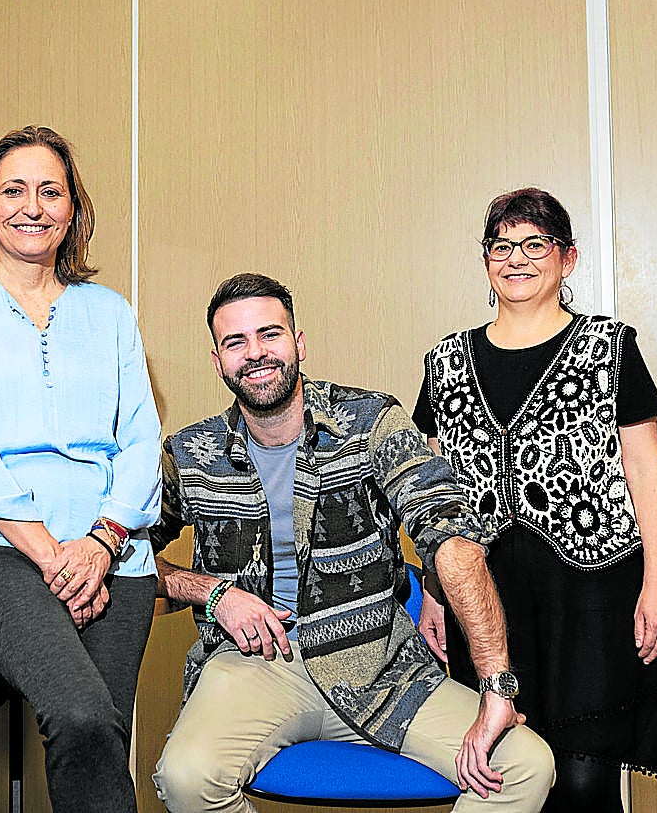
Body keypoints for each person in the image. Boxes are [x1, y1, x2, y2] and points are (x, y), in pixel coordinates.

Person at [151, 273, 554, 813]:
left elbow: (452, 539)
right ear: (217, 360)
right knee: (186, 777)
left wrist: (496, 687)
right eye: (235, 342)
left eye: (270, 334)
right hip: (253, 665)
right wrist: (211, 592)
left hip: (378, 665)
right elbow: (129, 560)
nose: (256, 353)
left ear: (299, 342)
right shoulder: (190, 452)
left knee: (527, 765)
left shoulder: (370, 423)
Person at [0, 125, 161, 812]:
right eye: (14, 190)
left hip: (115, 554)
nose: (33, 206)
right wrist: (58, 559)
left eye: (51, 191)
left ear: (72, 209)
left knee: (102, 735)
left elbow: (142, 439)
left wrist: (100, 544)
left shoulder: (111, 313)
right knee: (81, 716)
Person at [413, 188, 657, 811]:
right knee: (509, 773)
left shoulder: (610, 348)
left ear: (568, 259)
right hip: (489, 602)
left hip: (595, 592)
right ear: (485, 261)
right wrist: (433, 590)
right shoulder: (445, 360)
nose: (517, 259)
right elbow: (428, 491)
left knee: (585, 782)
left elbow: (646, 467)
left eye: (536, 244)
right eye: (501, 246)